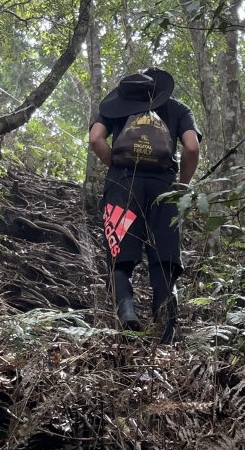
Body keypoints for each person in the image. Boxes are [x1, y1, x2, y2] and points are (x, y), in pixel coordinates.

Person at [89, 67, 201, 343]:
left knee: (120, 256)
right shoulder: (178, 108)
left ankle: (126, 312)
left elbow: (95, 139)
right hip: (164, 190)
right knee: (164, 260)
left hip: (122, 185)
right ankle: (165, 331)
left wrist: (114, 163)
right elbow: (192, 148)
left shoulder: (117, 108)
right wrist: (182, 186)